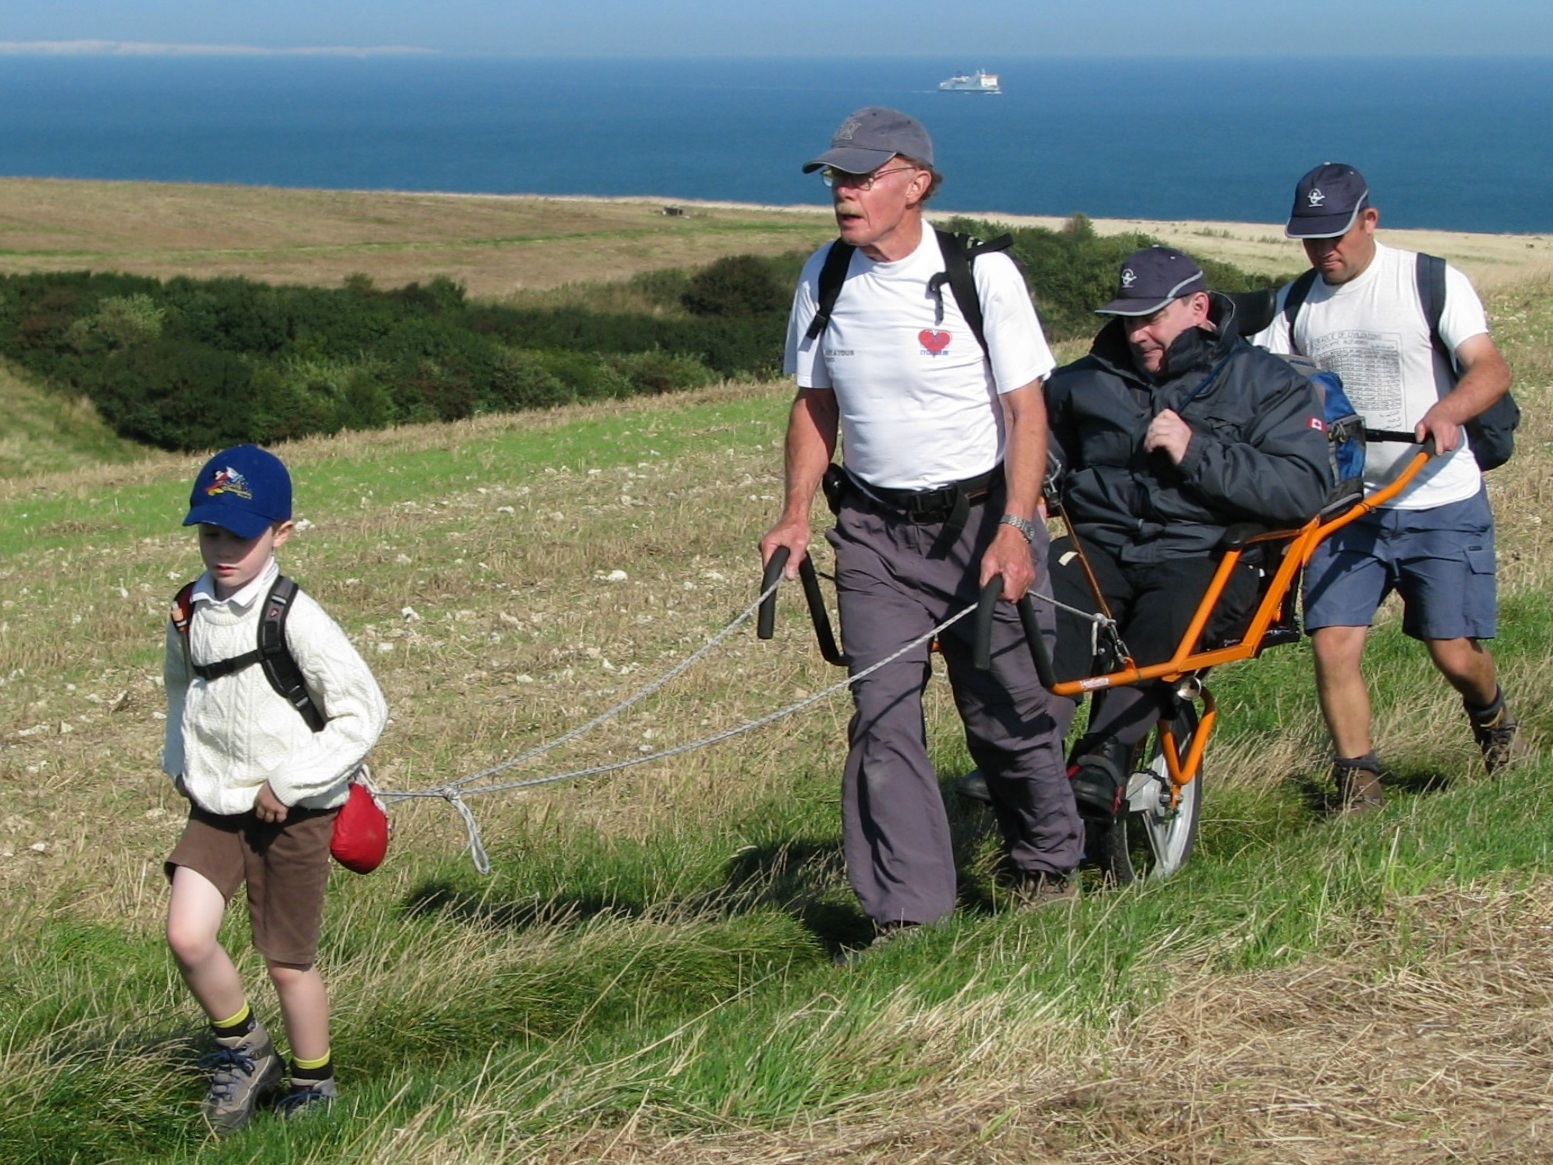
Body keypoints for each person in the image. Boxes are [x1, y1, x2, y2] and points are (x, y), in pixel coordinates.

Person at [759, 106, 1081, 938]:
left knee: (1010, 712)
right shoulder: (823, 275)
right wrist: (794, 514)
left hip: (980, 523)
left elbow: (1026, 412)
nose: (843, 192)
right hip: (872, 534)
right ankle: (910, 920)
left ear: (917, 183)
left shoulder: (984, 276)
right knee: (881, 717)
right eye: (836, 176)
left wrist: (1015, 526)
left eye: (862, 176)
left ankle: (1048, 864)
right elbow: (813, 403)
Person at [1254, 163, 1520, 812]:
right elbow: (1258, 385)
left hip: (1438, 500)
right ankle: (1359, 787)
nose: (1325, 250)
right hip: (1346, 511)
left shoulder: (1429, 281)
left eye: (1335, 234)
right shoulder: (1294, 305)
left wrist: (1448, 412)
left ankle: (1492, 721)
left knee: (1453, 653)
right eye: (1311, 239)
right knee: (1332, 642)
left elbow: (1490, 368)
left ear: (1368, 220)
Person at [1045, 246, 1331, 817]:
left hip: (1206, 551)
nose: (1136, 335)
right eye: (1126, 320)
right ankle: (1029, 756)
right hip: (1100, 545)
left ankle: (1105, 756)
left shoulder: (1265, 383)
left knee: (1171, 614)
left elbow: (1302, 489)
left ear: (1199, 307)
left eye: (1151, 318)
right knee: (1040, 600)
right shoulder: (1080, 382)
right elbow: (1042, 450)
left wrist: (1197, 450)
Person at [162, 444, 388, 1131]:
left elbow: (364, 710)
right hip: (216, 803)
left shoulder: (295, 615)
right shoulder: (188, 607)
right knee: (187, 936)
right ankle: (244, 1048)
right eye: (209, 531)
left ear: (281, 532)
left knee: (288, 961)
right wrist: (178, 754)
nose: (221, 548)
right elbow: (181, 685)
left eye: (240, 533)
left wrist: (291, 780)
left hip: (293, 813)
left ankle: (313, 1085)